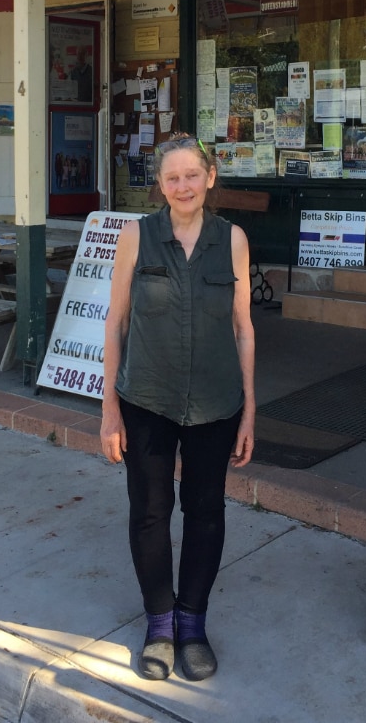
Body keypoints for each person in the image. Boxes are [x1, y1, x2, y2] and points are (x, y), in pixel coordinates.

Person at [101, 133, 255, 683]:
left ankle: (193, 624)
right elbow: (115, 322)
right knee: (149, 513)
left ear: (210, 178)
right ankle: (160, 625)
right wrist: (110, 411)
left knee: (206, 513)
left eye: (193, 175)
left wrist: (250, 410)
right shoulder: (136, 237)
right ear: (160, 186)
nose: (184, 186)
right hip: (146, 399)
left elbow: (243, 329)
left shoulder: (232, 240)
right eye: (173, 177)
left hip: (216, 403)